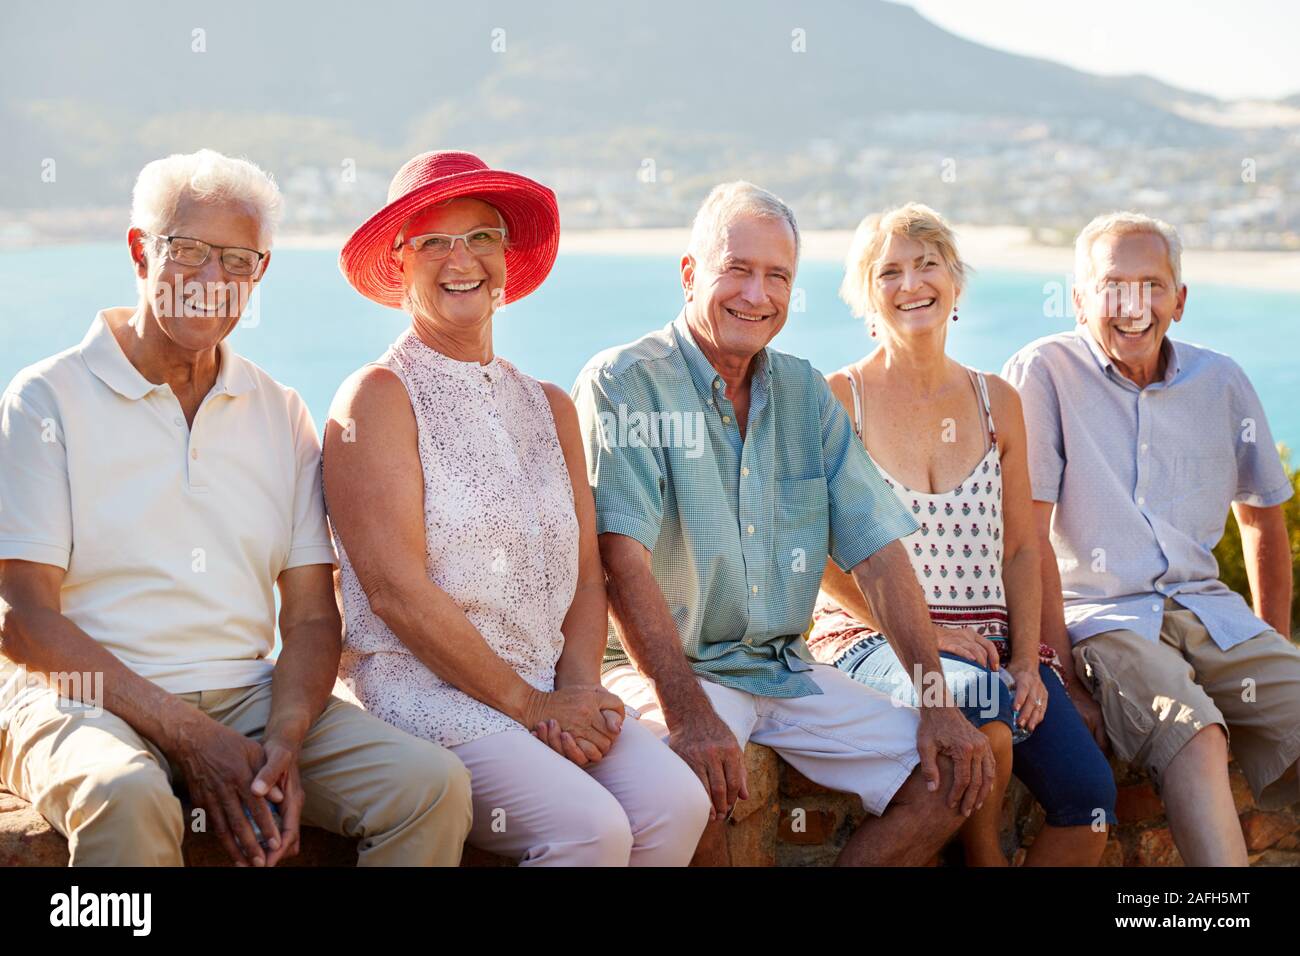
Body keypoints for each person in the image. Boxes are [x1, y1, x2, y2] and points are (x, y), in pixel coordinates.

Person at [0, 149, 472, 867]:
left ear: (260, 274)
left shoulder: (279, 412)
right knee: (127, 796)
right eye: (187, 251)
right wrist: (186, 734)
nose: (211, 281)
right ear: (139, 251)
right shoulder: (44, 400)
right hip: (82, 698)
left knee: (431, 787)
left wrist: (284, 737)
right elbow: (22, 620)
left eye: (237, 260)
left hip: (246, 699)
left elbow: (313, 616)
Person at [573, 181, 996, 867]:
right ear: (690, 273)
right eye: (737, 269)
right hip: (670, 670)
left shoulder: (804, 393)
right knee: (687, 783)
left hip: (781, 668)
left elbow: (878, 553)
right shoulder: (625, 382)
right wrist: (687, 713)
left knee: (954, 771)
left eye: (777, 276)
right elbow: (621, 563)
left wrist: (935, 700)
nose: (756, 294)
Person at [325, 150, 709, 866]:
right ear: (400, 264)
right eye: (433, 241)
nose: (460, 258)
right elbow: (396, 594)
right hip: (424, 696)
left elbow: (589, 579)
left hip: (547, 688)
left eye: (480, 237)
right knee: (590, 831)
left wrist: (579, 690)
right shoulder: (377, 399)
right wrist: (529, 708)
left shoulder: (550, 406)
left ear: (504, 257)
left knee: (678, 802)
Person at [807, 202, 1116, 865]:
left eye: (928, 264)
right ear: (865, 295)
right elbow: (816, 557)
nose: (912, 284)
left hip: (997, 647)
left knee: (1089, 802)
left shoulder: (997, 400)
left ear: (955, 280)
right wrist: (923, 630)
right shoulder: (838, 400)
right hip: (872, 639)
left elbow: (1023, 547)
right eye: (889, 272)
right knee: (981, 700)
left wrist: (1031, 661)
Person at [1003, 210, 1298, 866]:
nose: (1132, 304)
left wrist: (1270, 640)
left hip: (1212, 615)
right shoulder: (1043, 372)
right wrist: (1062, 680)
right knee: (1197, 737)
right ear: (1080, 299)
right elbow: (1029, 536)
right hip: (1104, 621)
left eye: (1153, 284)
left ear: (1181, 300)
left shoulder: (1220, 380)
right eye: (1112, 284)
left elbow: (1262, 517)